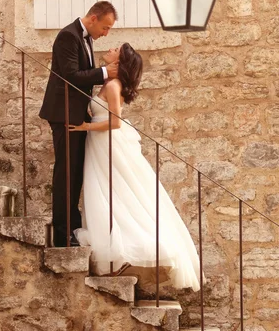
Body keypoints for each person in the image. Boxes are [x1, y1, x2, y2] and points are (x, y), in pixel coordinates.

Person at [69, 43, 201, 291]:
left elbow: (115, 122)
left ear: (118, 63)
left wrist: (85, 127)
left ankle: (119, 256)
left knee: (113, 192)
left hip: (107, 141)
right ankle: (114, 258)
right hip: (100, 143)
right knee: (108, 193)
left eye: (115, 50)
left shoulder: (112, 85)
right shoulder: (109, 84)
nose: (110, 49)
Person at [39, 1, 118, 247]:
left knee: (75, 174)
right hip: (63, 114)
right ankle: (63, 233)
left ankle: (73, 226)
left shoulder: (86, 38)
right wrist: (105, 72)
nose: (106, 34)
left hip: (76, 115)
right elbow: (71, 76)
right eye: (105, 27)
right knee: (66, 173)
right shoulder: (67, 36)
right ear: (93, 18)